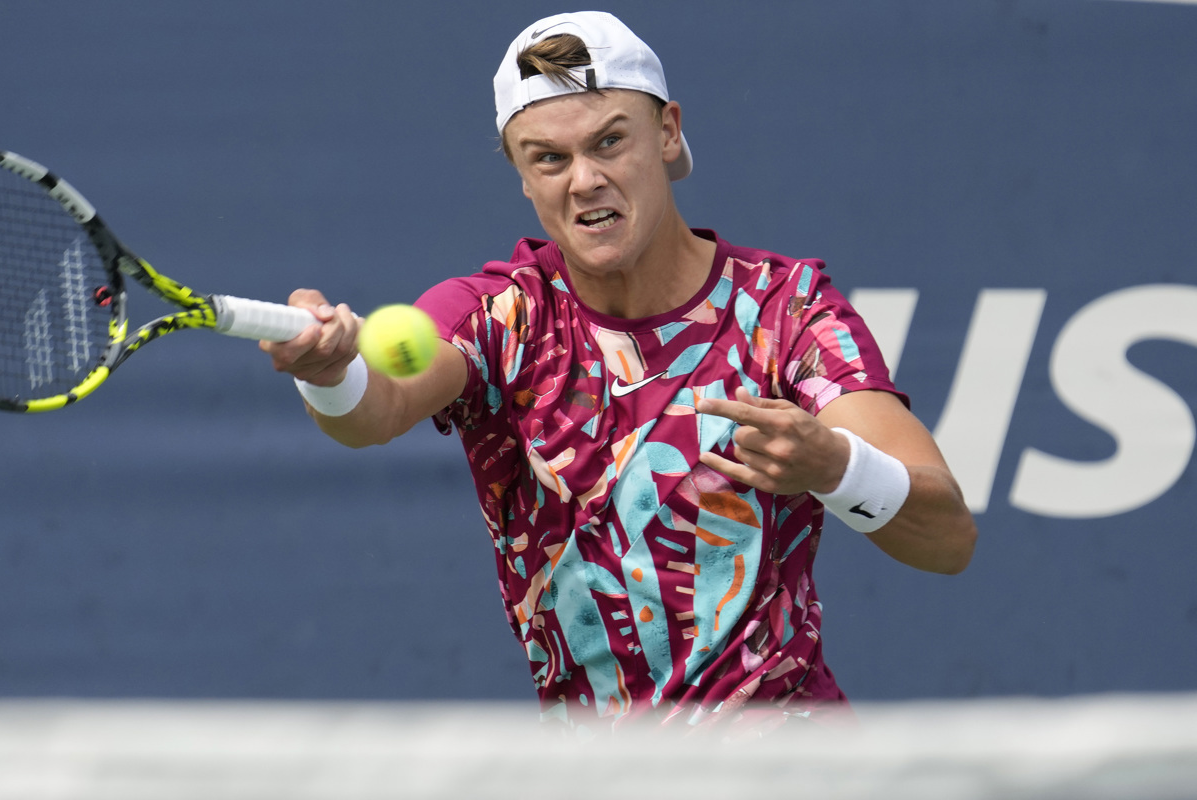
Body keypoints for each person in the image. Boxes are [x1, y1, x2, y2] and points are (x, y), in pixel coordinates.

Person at [261, 11, 977, 734]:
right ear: (522, 176)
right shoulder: (500, 315)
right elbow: (373, 412)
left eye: (610, 142)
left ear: (667, 133)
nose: (585, 181)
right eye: (549, 159)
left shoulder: (787, 311)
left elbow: (947, 538)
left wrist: (834, 465)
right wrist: (328, 373)